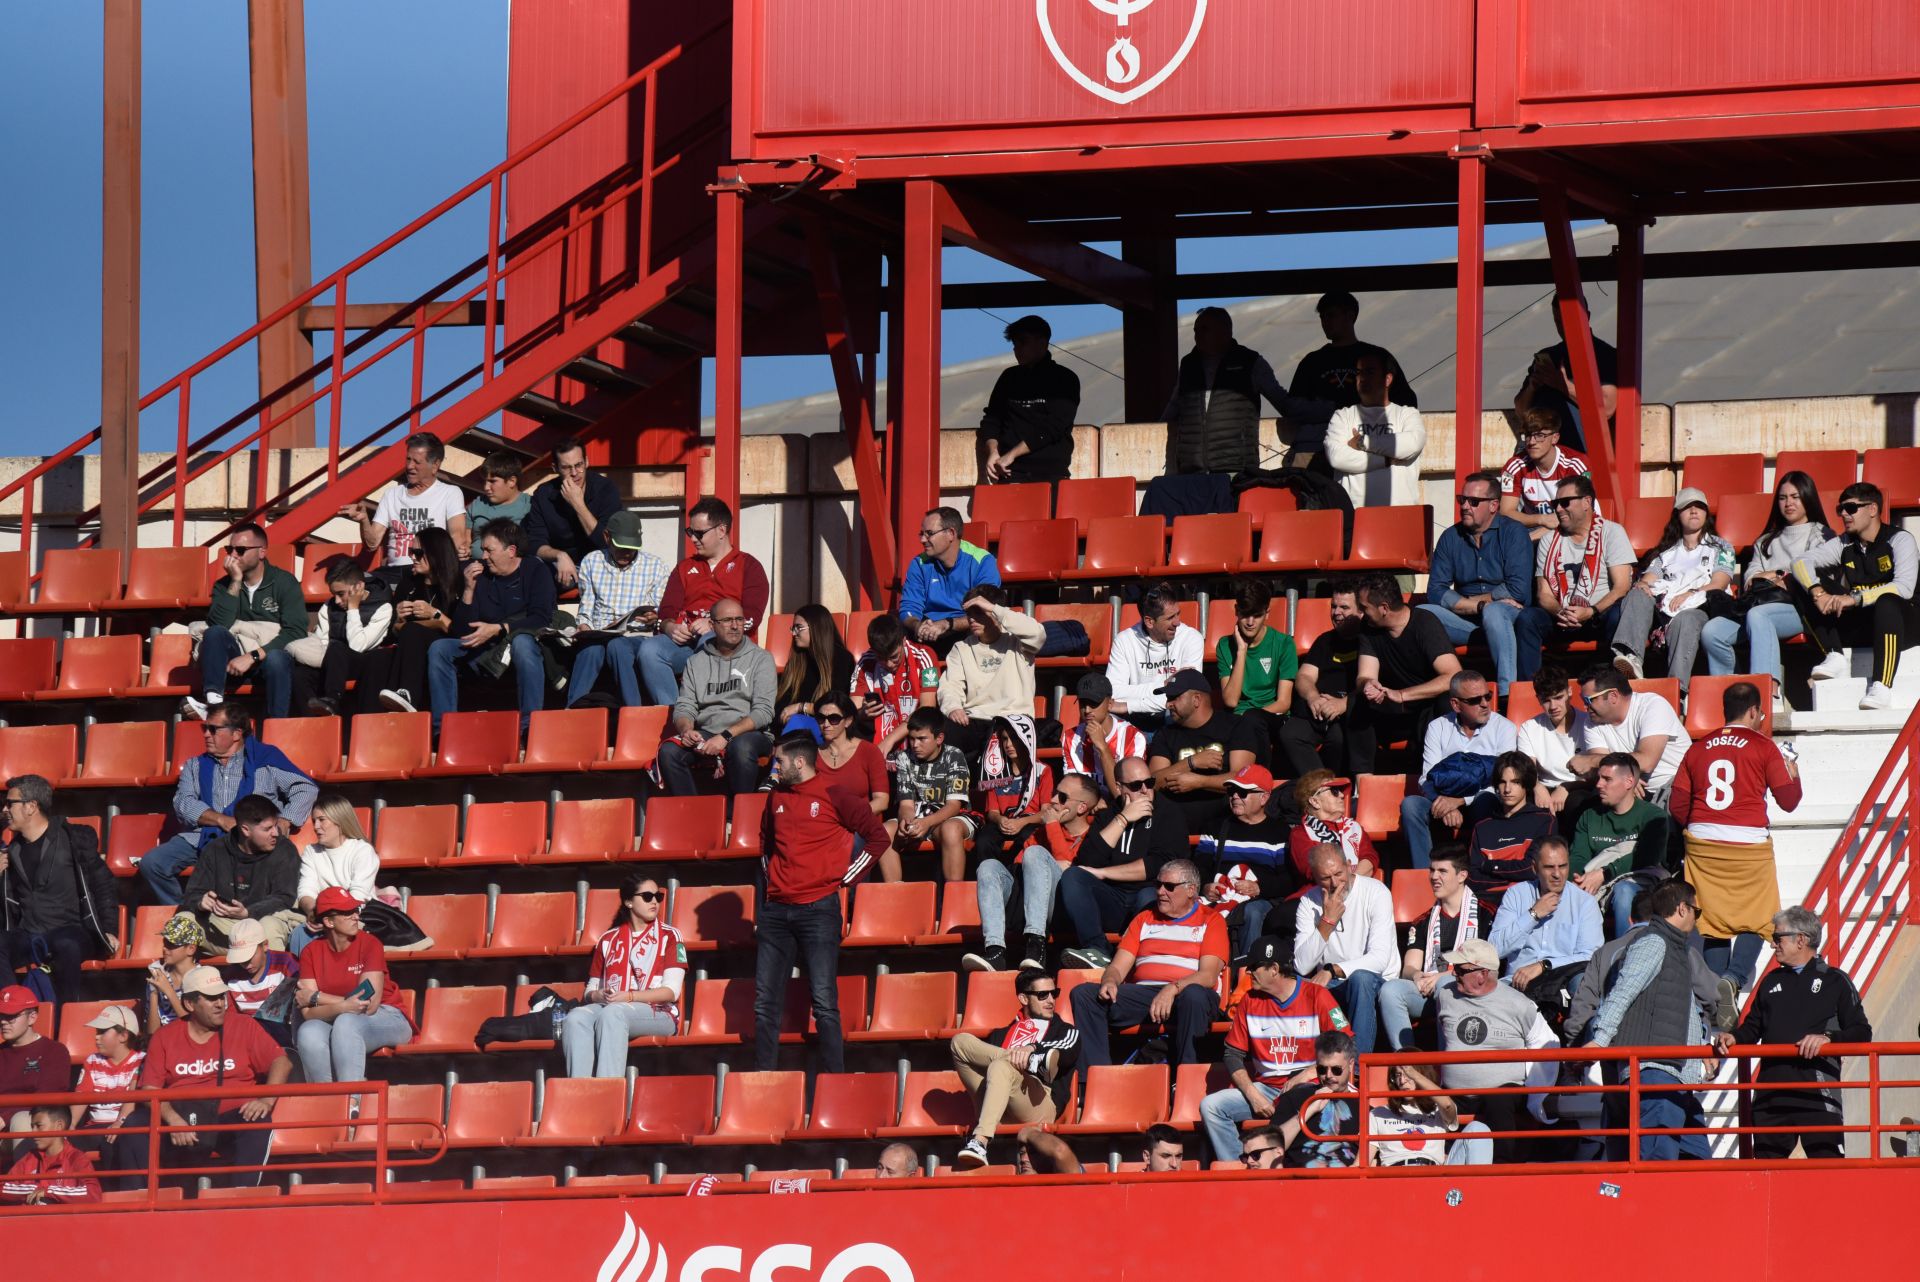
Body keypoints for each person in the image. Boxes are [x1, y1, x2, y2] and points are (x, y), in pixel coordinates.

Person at [755, 736, 887, 1074]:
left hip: (818, 910)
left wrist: (846, 878)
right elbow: (766, 845)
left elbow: (879, 838)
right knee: (765, 1005)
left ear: (799, 763)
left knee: (825, 1003)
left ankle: (835, 1083)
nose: (775, 767)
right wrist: (771, 886)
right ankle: (762, 1080)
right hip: (776, 913)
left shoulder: (835, 793)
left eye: (779, 761)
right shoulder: (775, 798)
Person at [1672, 680, 1803, 996]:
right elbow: (1788, 801)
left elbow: (1677, 806)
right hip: (1747, 844)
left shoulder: (1698, 747)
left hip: (1702, 844)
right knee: (1760, 918)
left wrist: (1705, 829)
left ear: (1724, 711)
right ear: (1756, 711)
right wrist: (1794, 776)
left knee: (1712, 921)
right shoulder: (1763, 747)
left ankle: (1717, 998)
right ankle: (1733, 978)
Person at [1713, 905, 1872, 1160]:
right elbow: (1752, 1028)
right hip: (1771, 1094)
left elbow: (1862, 1032)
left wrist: (1828, 1039)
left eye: (1778, 938)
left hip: (1817, 1093)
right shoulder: (1771, 980)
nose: (1772, 944)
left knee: (1828, 1173)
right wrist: (1734, 1037)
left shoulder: (1835, 980)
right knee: (1767, 1177)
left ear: (1801, 940)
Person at [1583, 879, 1715, 1161]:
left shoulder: (1674, 948)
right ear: (1682, 909)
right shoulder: (1654, 942)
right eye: (1696, 912)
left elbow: (1686, 1009)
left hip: (1676, 1075)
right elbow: (1623, 991)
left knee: (1698, 1164)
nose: (1696, 919)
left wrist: (1702, 1051)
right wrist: (1599, 1040)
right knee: (1657, 1160)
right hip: (1656, 1071)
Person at [141, 700, 316, 907]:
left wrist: (286, 819)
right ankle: (185, 912)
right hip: (203, 837)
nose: (206, 734)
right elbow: (183, 803)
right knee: (153, 863)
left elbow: (306, 788)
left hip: (251, 840)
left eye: (213, 729)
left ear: (236, 734)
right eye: (204, 728)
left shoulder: (266, 760)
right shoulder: (194, 765)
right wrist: (221, 820)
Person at [128, 966, 290, 1188]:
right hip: (181, 1120)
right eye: (211, 998)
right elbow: (148, 1090)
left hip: (230, 1119)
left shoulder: (244, 1025)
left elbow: (281, 1061)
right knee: (135, 1124)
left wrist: (266, 1100)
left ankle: (242, 1199)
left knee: (257, 1122)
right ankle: (138, 1201)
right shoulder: (165, 1037)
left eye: (221, 996)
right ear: (189, 1004)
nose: (220, 1004)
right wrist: (173, 1119)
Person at [1198, 934, 1348, 1162]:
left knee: (1299, 1099)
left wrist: (1308, 1073)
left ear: (1274, 969)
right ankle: (1236, 1172)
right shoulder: (1250, 1000)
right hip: (1266, 1089)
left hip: (1309, 1086)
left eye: (1254, 967)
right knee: (1212, 1106)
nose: (1248, 972)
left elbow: (1345, 1044)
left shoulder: (1318, 995)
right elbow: (1232, 1054)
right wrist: (1253, 1094)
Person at [1069, 858, 1225, 1076]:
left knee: (1194, 996)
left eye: (1169, 887)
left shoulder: (1211, 920)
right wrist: (1110, 981)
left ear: (1191, 890)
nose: (1160, 891)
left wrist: (1172, 989)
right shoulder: (1144, 918)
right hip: (1145, 995)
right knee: (1085, 994)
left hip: (1188, 993)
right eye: (1158, 885)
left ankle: (1188, 1081)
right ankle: (1096, 1083)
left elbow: (1208, 976)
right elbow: (1117, 967)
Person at [1702, 471, 1831, 708]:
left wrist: (1778, 574)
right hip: (1759, 606)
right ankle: (1730, 699)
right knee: (1713, 630)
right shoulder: (1766, 541)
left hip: (1800, 609)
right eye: (1783, 498)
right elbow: (1751, 577)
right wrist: (1779, 575)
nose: (1788, 503)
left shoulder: (1820, 534)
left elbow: (1816, 573)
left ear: (1807, 498)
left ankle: (1768, 695)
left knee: (1758, 616)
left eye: (1795, 496)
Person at [1792, 480, 1920, 710]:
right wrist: (1816, 592)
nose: (1844, 514)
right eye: (1840, 509)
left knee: (1888, 601)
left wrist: (1856, 598)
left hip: (1904, 626)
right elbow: (1800, 561)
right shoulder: (1844, 543)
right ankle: (1834, 654)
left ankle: (1882, 685)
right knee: (1800, 580)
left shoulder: (1900, 539)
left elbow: (1904, 588)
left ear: (1872, 509)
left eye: (1851, 508)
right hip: (1865, 624)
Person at [426, 518, 557, 737]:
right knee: (440, 648)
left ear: (511, 551)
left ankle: (529, 729)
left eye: (489, 550)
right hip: (485, 650)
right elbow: (461, 631)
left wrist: (499, 628)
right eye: (483, 550)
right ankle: (443, 731)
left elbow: (541, 618)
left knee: (522, 642)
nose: (484, 556)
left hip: (523, 650)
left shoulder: (535, 570)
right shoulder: (481, 575)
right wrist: (468, 590)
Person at [1432, 938, 1559, 1162]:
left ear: (1482, 974)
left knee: (1498, 1099)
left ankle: (1502, 1167)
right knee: (1434, 1099)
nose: (1454, 974)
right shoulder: (1446, 996)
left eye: (1461, 970)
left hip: (1502, 1094)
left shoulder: (1518, 1004)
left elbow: (1545, 1042)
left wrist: (1536, 1096)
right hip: (1456, 1093)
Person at [1058, 757, 1190, 970]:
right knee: (1073, 876)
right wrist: (1123, 819)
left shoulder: (1168, 812)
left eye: (1150, 782)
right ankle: (1098, 951)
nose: (1146, 790)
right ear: (1119, 788)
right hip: (1113, 900)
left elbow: (1160, 866)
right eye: (1136, 786)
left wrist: (1104, 873)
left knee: (1150, 895)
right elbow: (1088, 860)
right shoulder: (1109, 815)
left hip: (1150, 895)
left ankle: (1135, 960)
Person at [1163, 306, 1328, 475]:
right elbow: (1175, 405)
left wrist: (1330, 412)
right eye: (1195, 330)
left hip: (1235, 469)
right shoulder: (1188, 364)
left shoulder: (1250, 362)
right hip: (1192, 471)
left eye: (1204, 329)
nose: (1197, 335)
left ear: (1225, 331)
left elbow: (1284, 403)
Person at [638, 497, 771, 705]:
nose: (693, 539)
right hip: (686, 644)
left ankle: (706, 714)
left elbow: (752, 616)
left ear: (721, 530)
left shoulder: (749, 566)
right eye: (690, 532)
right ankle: (675, 717)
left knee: (709, 639)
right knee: (649, 650)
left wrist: (713, 624)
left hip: (730, 649)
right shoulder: (684, 567)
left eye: (699, 533)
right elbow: (667, 610)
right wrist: (669, 626)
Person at [0, 775, 117, 1010]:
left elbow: (103, 884)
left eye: (10, 802)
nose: (5, 809)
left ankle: (64, 1021)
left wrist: (109, 929)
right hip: (29, 933)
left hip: (71, 930)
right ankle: (14, 1011)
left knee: (66, 945)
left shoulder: (72, 840)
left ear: (31, 806)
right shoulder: (10, 852)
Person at [965, 773, 1098, 974]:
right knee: (989, 866)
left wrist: (1052, 826)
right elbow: (1023, 866)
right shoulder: (1041, 833)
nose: (1052, 801)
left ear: (1081, 807)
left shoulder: (1093, 838)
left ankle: (1037, 945)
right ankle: (995, 951)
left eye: (1062, 797)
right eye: (1054, 794)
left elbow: (1070, 872)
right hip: (1027, 905)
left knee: (1035, 853)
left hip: (1062, 910)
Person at [951, 968, 1080, 1169]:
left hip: (1039, 1102)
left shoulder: (1064, 1031)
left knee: (1001, 1066)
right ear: (1023, 998)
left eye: (1054, 993)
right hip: (995, 1098)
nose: (1051, 1000)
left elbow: (1068, 1051)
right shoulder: (999, 1035)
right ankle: (1034, 1061)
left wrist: (1032, 1048)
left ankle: (980, 1142)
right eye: (1042, 995)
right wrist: (1026, 1058)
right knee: (959, 1041)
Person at [182, 521, 310, 721]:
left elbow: (295, 631)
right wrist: (235, 582)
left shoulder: (285, 582)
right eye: (229, 549)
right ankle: (214, 706)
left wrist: (253, 656)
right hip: (233, 661)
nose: (232, 555)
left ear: (261, 552)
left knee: (277, 658)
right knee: (214, 633)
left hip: (270, 660)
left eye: (240, 550)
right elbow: (219, 625)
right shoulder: (223, 585)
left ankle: (276, 725)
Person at [1422, 469, 1534, 695]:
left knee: (1494, 614)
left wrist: (1474, 603)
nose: (1464, 506)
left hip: (1509, 616)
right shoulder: (1451, 537)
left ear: (1494, 505)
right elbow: (1435, 590)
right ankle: (1432, 689)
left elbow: (1517, 589)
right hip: (1467, 622)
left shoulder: (1514, 533)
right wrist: (1477, 606)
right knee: (1422, 614)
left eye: (1473, 501)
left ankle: (1506, 695)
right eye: (1462, 500)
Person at [1610, 487, 1735, 689]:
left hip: (1701, 608)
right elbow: (1649, 578)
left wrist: (1690, 594)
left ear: (1706, 513)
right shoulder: (1666, 554)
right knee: (1637, 593)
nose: (1694, 511)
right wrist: (1642, 585)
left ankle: (1676, 689)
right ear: (1678, 515)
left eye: (1699, 507)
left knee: (1686, 619)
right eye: (1687, 507)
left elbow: (1719, 583)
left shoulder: (1722, 547)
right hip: (1665, 610)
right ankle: (1631, 659)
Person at [564, 874, 686, 1079]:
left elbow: (671, 992)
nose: (654, 901)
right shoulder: (608, 939)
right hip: (611, 1007)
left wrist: (628, 996)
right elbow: (590, 990)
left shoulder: (671, 936)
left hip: (660, 1013)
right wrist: (599, 995)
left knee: (613, 1014)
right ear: (629, 901)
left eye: (658, 896)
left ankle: (608, 1093)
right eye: (647, 896)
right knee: (575, 1018)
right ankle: (580, 1092)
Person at [1516, 474, 1636, 680]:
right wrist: (1561, 612)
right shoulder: (1549, 540)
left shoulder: (1612, 532)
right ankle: (1529, 689)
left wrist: (1591, 611)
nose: (1558, 509)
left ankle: (1611, 681)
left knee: (1618, 614)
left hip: (1598, 613)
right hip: (1562, 616)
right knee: (1528, 619)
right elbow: (1543, 593)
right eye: (1555, 504)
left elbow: (1622, 587)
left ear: (1587, 502)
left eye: (1565, 503)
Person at [295, 888, 414, 1085]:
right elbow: (308, 1013)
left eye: (356, 909)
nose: (355, 916)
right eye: (347, 912)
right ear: (328, 922)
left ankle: (350, 1103)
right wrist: (343, 1006)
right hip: (338, 1018)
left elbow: (370, 1004)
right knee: (308, 1032)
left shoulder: (370, 944)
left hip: (386, 1016)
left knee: (347, 1023)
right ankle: (323, 1103)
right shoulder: (311, 952)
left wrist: (317, 997)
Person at [657, 598, 775, 797]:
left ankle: (735, 817)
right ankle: (694, 816)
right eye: (727, 620)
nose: (735, 626)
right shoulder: (695, 662)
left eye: (739, 619)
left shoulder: (761, 658)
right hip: (708, 733)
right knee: (669, 753)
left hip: (750, 734)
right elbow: (685, 706)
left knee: (741, 746)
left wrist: (726, 736)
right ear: (712, 625)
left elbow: (763, 712)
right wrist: (686, 730)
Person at [1401, 670, 1518, 868]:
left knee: (1487, 800)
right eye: (1475, 700)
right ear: (1456, 704)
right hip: (1441, 801)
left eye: (1487, 696)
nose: (1484, 704)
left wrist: (1458, 801)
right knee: (1411, 806)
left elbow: (1502, 781)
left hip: (1482, 801)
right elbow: (1426, 778)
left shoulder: (1504, 728)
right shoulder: (1437, 727)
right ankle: (1423, 875)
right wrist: (1444, 804)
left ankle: (1480, 871)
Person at [1378, 850, 1489, 1051]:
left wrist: (1443, 977)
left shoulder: (1487, 913)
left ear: (1462, 875)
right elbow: (1409, 967)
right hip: (1431, 988)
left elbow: (1487, 963)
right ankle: (1408, 1065)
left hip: (1470, 989)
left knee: (1446, 983)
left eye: (1442, 871)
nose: (1434, 877)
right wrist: (1418, 975)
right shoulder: (1423, 920)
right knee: (1390, 990)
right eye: (1432, 870)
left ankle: (1446, 1063)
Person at [1352, 573, 1462, 774]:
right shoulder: (1368, 629)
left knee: (1446, 701)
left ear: (1384, 608)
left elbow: (1453, 675)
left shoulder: (1424, 623)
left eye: (1364, 608)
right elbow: (1365, 674)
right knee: (1357, 702)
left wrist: (1403, 694)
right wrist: (1368, 684)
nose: (1360, 613)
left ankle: (1436, 777)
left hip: (1425, 708)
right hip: (1391, 710)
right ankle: (1363, 782)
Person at [1293, 844, 1397, 1054]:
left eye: (1338, 873)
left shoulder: (1376, 892)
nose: (1334, 883)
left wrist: (1333, 969)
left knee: (1361, 979)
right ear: (1314, 877)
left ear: (1349, 866)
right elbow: (1302, 966)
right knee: (1291, 983)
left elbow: (1379, 959)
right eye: (1325, 878)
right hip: (1331, 984)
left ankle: (1357, 1069)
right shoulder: (1308, 901)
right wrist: (1327, 921)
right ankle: (1295, 1067)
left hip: (1376, 981)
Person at [562, 509, 669, 708]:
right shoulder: (592, 561)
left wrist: (655, 617)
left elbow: (660, 609)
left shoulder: (656, 566)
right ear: (607, 537)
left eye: (632, 548)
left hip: (635, 636)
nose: (627, 553)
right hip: (599, 633)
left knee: (617, 646)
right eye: (621, 547)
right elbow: (586, 608)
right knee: (590, 651)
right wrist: (584, 626)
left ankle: (632, 711)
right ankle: (571, 713)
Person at [1146, 670, 1269, 829]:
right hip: (1176, 827)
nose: (1168, 704)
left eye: (1174, 697)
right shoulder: (1165, 734)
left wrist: (1199, 782)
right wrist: (1191, 762)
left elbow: (1242, 780)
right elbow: (1152, 782)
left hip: (1225, 825)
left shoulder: (1237, 726)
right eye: (1168, 699)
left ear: (1196, 699)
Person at [1197, 765, 1298, 958]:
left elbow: (1290, 879)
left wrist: (1260, 888)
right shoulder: (1215, 827)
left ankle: (1248, 969)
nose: (1235, 796)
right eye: (1231, 791)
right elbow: (1199, 866)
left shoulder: (1280, 832)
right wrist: (1206, 885)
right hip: (1220, 896)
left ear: (1264, 798)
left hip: (1260, 900)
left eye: (1243, 792)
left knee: (1253, 911)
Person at [1571, 754, 1675, 938]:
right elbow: (1578, 856)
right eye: (1599, 778)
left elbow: (1648, 856)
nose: (1598, 785)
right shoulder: (1590, 816)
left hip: (1641, 882)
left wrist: (1604, 873)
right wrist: (1578, 879)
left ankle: (1624, 955)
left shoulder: (1653, 816)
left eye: (1607, 779)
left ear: (1629, 782)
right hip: (1594, 883)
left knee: (1624, 891)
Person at [182, 793, 302, 952]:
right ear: (245, 830)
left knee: (269, 927)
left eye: (275, 826)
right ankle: (179, 977)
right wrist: (201, 902)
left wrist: (248, 912)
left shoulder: (284, 850)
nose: (275, 833)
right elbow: (193, 893)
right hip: (226, 925)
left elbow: (284, 897)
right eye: (268, 829)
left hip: (266, 921)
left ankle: (273, 974)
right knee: (181, 923)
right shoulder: (215, 849)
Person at [363, 526, 463, 714]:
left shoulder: (458, 583)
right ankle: (368, 721)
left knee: (413, 630)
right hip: (409, 647)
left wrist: (435, 613)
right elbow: (392, 635)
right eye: (411, 552)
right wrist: (397, 617)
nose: (412, 557)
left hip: (443, 646)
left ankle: (407, 696)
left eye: (418, 553)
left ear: (436, 553)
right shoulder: (409, 583)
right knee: (377, 658)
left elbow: (460, 630)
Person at [938, 585, 1048, 756]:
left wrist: (994, 608)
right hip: (974, 719)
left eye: (979, 613)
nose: (972, 619)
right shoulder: (961, 648)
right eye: (969, 614)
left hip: (1012, 719)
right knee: (942, 733)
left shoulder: (1018, 642)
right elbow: (950, 685)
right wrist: (953, 708)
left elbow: (1038, 634)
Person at [340, 432, 471, 574]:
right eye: (408, 459)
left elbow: (457, 534)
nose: (409, 466)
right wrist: (364, 520)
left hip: (431, 572)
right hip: (395, 573)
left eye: (417, 462)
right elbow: (372, 544)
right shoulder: (392, 495)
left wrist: (459, 551)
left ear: (435, 465)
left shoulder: (450, 493)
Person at [1488, 837, 1602, 990]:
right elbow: (1494, 949)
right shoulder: (1516, 894)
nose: (1557, 874)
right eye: (1549, 867)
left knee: (1583, 983)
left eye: (1562, 866)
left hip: (1561, 983)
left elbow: (1590, 955)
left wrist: (1544, 966)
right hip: (1516, 984)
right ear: (1535, 868)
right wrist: (1533, 915)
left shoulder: (1584, 902)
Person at [980, 314, 1080, 486]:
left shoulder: (1065, 379)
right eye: (1014, 344)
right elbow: (992, 420)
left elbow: (1053, 428)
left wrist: (1010, 455)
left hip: (1050, 476)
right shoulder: (1009, 377)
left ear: (1042, 343)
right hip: (1009, 474)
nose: (1016, 349)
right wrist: (993, 452)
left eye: (1022, 342)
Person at [1511, 294, 1617, 454]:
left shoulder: (1606, 355)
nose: (1564, 328)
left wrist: (1563, 386)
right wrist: (1533, 385)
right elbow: (1520, 410)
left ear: (1587, 317)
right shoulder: (1548, 356)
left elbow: (1607, 408)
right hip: (1540, 457)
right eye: (1558, 322)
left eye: (1569, 321)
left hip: (1580, 456)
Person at [1286, 290, 1419, 416]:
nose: (1325, 322)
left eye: (1331, 315)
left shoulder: (1378, 357)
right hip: (1323, 437)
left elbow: (1407, 402)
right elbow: (1293, 407)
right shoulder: (1312, 362)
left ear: (1350, 316)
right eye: (1322, 317)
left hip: (1371, 436)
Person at [1278, 583, 1364, 777]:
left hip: (1350, 712)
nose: (1336, 612)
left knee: (1337, 738)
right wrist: (1313, 697)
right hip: (1318, 711)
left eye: (1344, 607)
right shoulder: (1324, 641)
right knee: (1290, 733)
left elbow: (1374, 683)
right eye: (1334, 606)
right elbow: (1305, 676)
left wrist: (1344, 703)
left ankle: (1332, 790)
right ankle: (1321, 786)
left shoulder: (1369, 641)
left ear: (1361, 612)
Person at [967, 714, 1055, 901]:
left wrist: (1022, 822)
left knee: (1027, 838)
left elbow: (1046, 812)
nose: (1008, 744)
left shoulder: (1042, 770)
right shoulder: (996, 770)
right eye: (1005, 739)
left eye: (1014, 738)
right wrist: (1000, 820)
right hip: (1004, 823)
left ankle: (1016, 890)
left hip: (1029, 822)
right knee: (984, 841)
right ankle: (988, 890)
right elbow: (992, 812)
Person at [1571, 664, 1691, 802]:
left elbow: (1646, 761)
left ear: (1613, 696)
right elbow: (1605, 771)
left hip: (1672, 786)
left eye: (1588, 700)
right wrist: (1626, 780)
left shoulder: (1653, 706)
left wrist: (1591, 760)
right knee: (1577, 802)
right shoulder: (1591, 722)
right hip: (1628, 789)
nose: (1584, 707)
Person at [1322, 349, 1426, 508]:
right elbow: (1337, 457)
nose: (1362, 378)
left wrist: (1364, 442)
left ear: (1388, 379)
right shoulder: (1342, 416)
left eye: (1369, 372)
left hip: (1400, 514)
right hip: (1355, 515)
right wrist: (1386, 460)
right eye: (1358, 372)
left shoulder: (1407, 414)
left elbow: (1412, 444)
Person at [287, 559, 391, 716]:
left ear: (359, 587)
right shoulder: (329, 606)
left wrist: (353, 609)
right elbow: (322, 643)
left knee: (336, 647)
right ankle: (313, 721)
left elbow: (358, 646)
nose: (336, 600)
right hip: (333, 664)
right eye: (334, 594)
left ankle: (332, 699)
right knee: (299, 675)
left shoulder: (382, 608)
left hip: (364, 664)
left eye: (341, 594)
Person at [887, 708, 975, 883]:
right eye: (911, 739)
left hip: (951, 817)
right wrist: (906, 821)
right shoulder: (904, 757)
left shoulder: (954, 755)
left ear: (939, 738)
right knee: (884, 831)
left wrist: (926, 823)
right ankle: (894, 894)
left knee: (951, 830)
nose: (915, 745)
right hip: (919, 817)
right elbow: (906, 805)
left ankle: (954, 894)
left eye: (922, 739)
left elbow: (954, 806)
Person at [900, 506, 1001, 654]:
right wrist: (918, 626)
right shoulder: (919, 563)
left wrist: (947, 624)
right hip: (929, 632)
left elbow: (987, 610)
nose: (922, 539)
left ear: (951, 534)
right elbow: (909, 607)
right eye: (921, 534)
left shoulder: (982, 561)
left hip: (967, 630)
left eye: (929, 534)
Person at [1464, 752, 1556, 910]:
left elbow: (1533, 869)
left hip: (1526, 901)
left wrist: (1490, 866)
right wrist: (1511, 877)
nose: (1507, 789)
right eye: (1502, 782)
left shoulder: (1544, 821)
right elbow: (1472, 878)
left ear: (1526, 784)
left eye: (1515, 782)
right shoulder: (1482, 827)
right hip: (1485, 904)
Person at [1106, 582, 1205, 730]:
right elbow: (1113, 693)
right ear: (1149, 621)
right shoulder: (1124, 640)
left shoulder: (1192, 638)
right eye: (1170, 617)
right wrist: (1166, 687)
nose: (1177, 622)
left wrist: (1129, 705)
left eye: (1178, 614)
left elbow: (1186, 697)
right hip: (1133, 720)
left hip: (1173, 717)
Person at [525, 438, 622, 588]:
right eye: (566, 467)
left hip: (601, 564)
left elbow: (607, 542)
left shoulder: (605, 489)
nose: (575, 473)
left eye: (579, 465)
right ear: (555, 468)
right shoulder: (544, 495)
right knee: (532, 571)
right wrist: (559, 555)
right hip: (560, 566)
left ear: (587, 462)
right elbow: (535, 543)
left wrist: (578, 504)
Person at [292, 794, 380, 954]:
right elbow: (305, 891)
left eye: (322, 820)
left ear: (339, 820)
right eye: (314, 821)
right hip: (320, 914)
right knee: (289, 928)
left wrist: (330, 918)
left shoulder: (363, 851)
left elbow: (358, 895)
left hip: (356, 914)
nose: (316, 826)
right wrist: (314, 913)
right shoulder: (311, 852)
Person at [1216, 576, 1298, 746]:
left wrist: (1251, 717)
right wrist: (1242, 651)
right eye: (1245, 615)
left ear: (1267, 613)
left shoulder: (1284, 643)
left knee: (1251, 727)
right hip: (1237, 719)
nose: (1250, 623)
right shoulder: (1225, 645)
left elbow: (1283, 703)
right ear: (1236, 610)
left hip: (1270, 718)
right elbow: (1231, 701)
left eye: (1257, 615)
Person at [851, 613, 940, 759]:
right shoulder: (865, 662)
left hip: (915, 731)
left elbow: (927, 709)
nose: (888, 664)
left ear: (904, 641)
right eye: (881, 658)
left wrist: (889, 741)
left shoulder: (925, 656)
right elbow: (853, 710)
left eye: (894, 657)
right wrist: (863, 713)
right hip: (876, 729)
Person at [1368, 1064, 1492, 1167]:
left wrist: (1415, 1075)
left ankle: (1477, 1192)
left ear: (1421, 1075)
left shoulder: (1437, 1108)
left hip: (1435, 1175)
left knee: (1478, 1128)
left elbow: (1448, 1105)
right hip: (1396, 1176)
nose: (1402, 1081)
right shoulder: (1378, 1114)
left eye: (1408, 1074)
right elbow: (1363, 1161)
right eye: (1398, 1075)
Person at [1269, 1031, 1362, 1168]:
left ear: (1350, 1065)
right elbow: (1272, 1148)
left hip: (1344, 1183)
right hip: (1298, 1183)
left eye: (1336, 1070)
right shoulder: (1295, 1097)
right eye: (1322, 1069)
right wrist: (1309, 1109)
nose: (1328, 1076)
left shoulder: (1362, 1106)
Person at [1498, 408, 1590, 536]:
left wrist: (1531, 539)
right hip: (1533, 526)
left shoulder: (1575, 464)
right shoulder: (1514, 465)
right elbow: (1506, 513)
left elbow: (1582, 514)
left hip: (1571, 529)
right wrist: (1541, 519)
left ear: (1555, 438)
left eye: (1540, 436)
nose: (1532, 442)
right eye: (1528, 435)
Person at [1514, 659, 1586, 815]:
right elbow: (1528, 769)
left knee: (1578, 803)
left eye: (1559, 697)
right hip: (1543, 786)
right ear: (1538, 699)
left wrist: (1567, 787)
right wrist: (1537, 787)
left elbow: (1597, 771)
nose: (1553, 707)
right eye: (1546, 701)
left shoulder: (1588, 723)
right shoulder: (1529, 728)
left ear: (1570, 692)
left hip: (1579, 787)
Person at [71, 1006, 144, 1158]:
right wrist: (69, 1126)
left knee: (113, 1142)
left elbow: (133, 1097)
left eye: (102, 1032)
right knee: (63, 1144)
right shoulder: (92, 1060)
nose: (96, 1037)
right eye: (97, 1032)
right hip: (94, 1128)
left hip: (124, 1126)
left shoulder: (141, 1060)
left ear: (123, 1036)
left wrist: (119, 1123)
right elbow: (81, 1097)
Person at [1063, 672, 1147, 801]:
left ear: (1110, 704)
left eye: (1093, 703)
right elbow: (1070, 792)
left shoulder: (1133, 737)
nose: (1087, 710)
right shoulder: (1069, 738)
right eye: (1082, 703)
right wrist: (1093, 801)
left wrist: (1102, 747)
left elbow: (1126, 797)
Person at [0, 987, 69, 1136]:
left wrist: (5, 1117)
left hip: (32, 1125)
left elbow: (46, 1099)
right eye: (1, 1016)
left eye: (11, 1016)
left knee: (23, 1121)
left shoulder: (54, 1051)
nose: (4, 1022)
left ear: (32, 1017)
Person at [1287, 770, 1378, 882]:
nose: (1341, 795)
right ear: (1315, 801)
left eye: (1340, 791)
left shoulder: (1354, 827)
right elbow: (1314, 871)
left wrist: (1351, 885)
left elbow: (1370, 859)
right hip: (1321, 895)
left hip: (1358, 891)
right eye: (1334, 791)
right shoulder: (1301, 834)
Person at [2, 1105, 100, 1205]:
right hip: (31, 1219)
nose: (33, 1132)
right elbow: (2, 1187)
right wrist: (37, 1188)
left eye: (39, 1126)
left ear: (59, 1126)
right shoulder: (29, 1158)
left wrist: (48, 1191)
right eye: (32, 1127)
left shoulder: (77, 1158)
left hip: (62, 1219)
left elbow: (93, 1195)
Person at [774, 605, 854, 728]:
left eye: (799, 628)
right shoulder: (798, 660)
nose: (794, 633)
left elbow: (837, 706)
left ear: (817, 628)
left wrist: (801, 707)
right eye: (793, 628)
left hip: (825, 728)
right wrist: (785, 716)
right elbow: (782, 702)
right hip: (793, 728)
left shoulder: (841, 659)